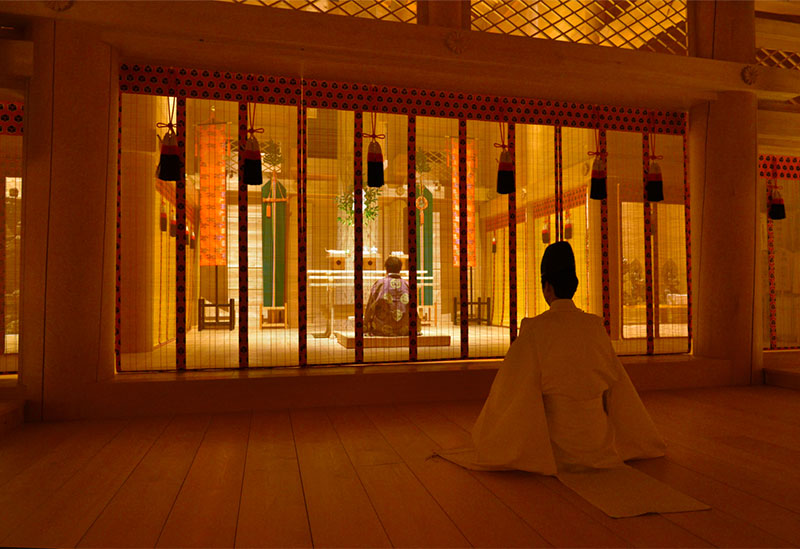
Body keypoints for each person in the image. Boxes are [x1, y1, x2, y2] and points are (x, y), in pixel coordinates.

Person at [439, 241, 666, 475]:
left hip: (556, 450)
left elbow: (510, 391)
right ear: (574, 285)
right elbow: (617, 386)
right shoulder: (595, 326)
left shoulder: (536, 329)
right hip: (600, 445)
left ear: (547, 286)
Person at [364, 256, 416, 336]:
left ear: (386, 269)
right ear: (400, 269)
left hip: (382, 327)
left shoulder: (379, 284)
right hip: (404, 328)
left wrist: (365, 325)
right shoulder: (407, 284)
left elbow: (370, 306)